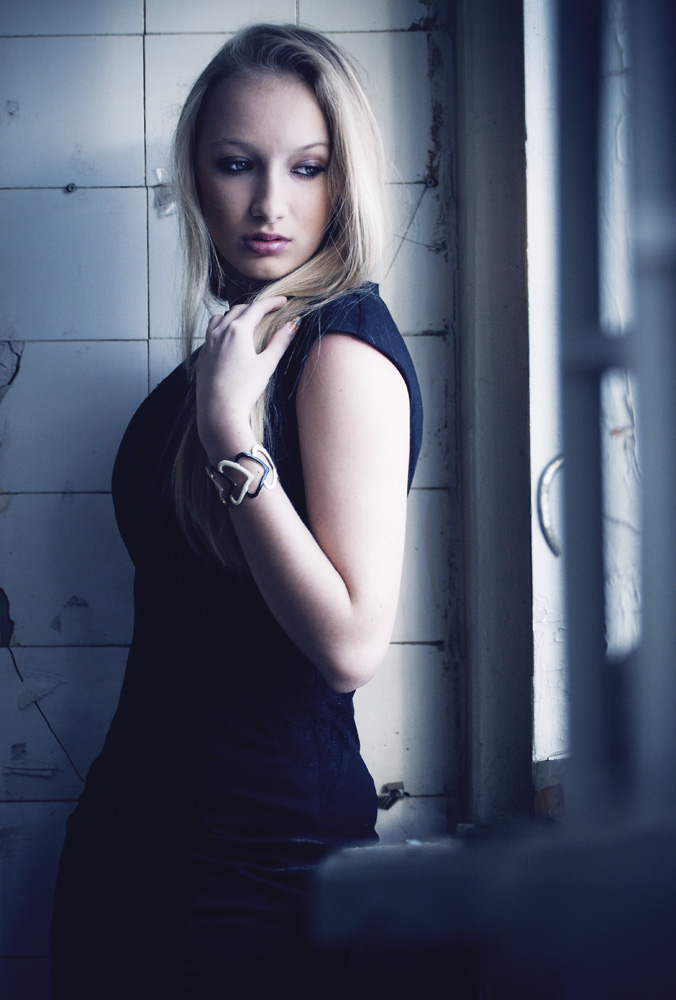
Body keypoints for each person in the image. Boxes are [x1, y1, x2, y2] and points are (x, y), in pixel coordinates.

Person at [51, 23, 423, 999]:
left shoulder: (339, 353)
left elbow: (350, 645)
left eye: (306, 167)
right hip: (141, 830)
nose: (269, 204)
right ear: (195, 176)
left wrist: (228, 434)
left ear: (346, 179)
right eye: (235, 164)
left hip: (255, 859)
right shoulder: (241, 346)